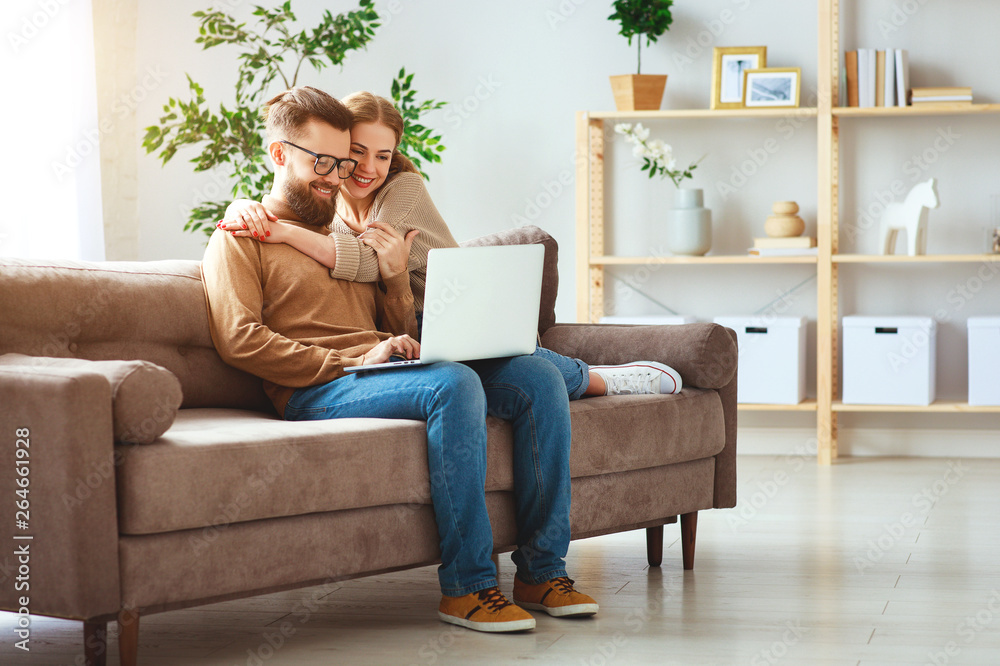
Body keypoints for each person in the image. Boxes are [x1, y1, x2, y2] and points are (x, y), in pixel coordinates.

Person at [201, 86, 599, 633]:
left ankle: (541, 572)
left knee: (536, 375)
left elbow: (394, 329)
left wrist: (392, 279)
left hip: (380, 369)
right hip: (315, 388)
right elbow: (240, 339)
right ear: (278, 154)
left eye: (342, 163)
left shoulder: (348, 236)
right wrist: (354, 360)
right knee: (453, 384)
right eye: (321, 161)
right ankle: (468, 587)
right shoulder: (239, 237)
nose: (336, 176)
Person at [218, 91, 683, 399]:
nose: (364, 168)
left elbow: (365, 262)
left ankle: (600, 378)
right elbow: (290, 198)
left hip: (450, 311)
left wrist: (280, 231)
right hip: (405, 330)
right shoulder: (328, 199)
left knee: (520, 364)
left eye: (382, 156)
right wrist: (246, 203)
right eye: (352, 154)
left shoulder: (403, 189)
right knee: (476, 375)